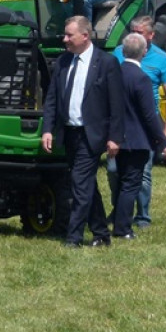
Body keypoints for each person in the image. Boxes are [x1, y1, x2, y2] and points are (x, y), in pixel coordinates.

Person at [41, 16, 124, 248]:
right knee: (86, 184)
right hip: (69, 134)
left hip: (93, 135)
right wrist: (47, 130)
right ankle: (100, 233)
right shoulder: (63, 62)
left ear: (85, 36)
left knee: (79, 182)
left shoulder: (106, 63)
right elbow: (52, 100)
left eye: (69, 35)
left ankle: (74, 237)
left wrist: (115, 137)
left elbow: (117, 105)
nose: (64, 39)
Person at [110, 15, 166, 229]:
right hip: (120, 120)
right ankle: (119, 211)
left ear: (151, 35)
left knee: (143, 173)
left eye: (140, 32)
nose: (135, 35)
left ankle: (143, 215)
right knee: (113, 170)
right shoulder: (120, 53)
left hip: (145, 121)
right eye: (133, 31)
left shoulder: (161, 59)